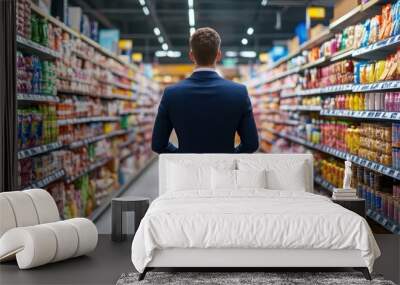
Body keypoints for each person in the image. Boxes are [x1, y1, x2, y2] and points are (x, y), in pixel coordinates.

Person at [151, 27, 259, 154]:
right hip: (224, 171)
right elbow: (251, 144)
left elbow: (158, 144)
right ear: (218, 55)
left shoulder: (171, 93)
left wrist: (181, 156)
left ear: (191, 55)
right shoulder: (239, 92)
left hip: (186, 171)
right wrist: (230, 157)